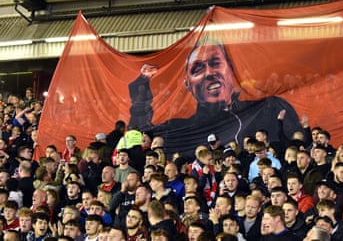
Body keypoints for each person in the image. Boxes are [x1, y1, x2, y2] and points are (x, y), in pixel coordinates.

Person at [128, 38, 303, 157]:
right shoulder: (178, 129)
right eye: (198, 69)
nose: (210, 73)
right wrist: (141, 85)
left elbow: (299, 144)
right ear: (188, 84)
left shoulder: (270, 109)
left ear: (231, 71)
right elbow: (141, 131)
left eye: (216, 63)